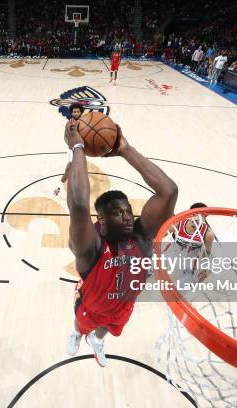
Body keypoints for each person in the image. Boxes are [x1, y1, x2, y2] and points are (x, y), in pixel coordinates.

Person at [65, 118, 178, 366]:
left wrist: (125, 149)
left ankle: (97, 340)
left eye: (128, 210)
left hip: (123, 306)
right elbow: (79, 205)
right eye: (117, 213)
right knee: (81, 324)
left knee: (108, 328)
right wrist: (77, 149)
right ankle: (77, 333)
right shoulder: (90, 249)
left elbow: (168, 191)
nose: (127, 217)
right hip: (91, 306)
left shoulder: (141, 237)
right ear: (101, 220)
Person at [165, 202, 216, 283]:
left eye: (200, 216)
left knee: (182, 287)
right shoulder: (179, 222)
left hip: (188, 264)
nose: (196, 218)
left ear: (205, 218)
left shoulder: (208, 233)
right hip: (170, 256)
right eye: (194, 214)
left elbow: (207, 253)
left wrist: (204, 270)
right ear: (189, 214)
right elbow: (161, 235)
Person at [54, 103, 83, 196]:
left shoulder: (85, 122)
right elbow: (66, 137)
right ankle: (58, 188)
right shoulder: (70, 123)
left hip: (81, 149)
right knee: (68, 169)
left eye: (78, 111)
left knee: (78, 170)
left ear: (81, 112)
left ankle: (78, 188)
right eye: (74, 112)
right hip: (72, 149)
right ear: (71, 112)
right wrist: (72, 146)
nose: (76, 113)